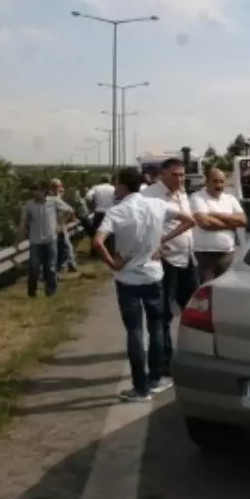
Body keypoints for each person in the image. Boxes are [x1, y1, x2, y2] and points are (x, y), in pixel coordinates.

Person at [93, 168, 195, 402]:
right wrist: (162, 240)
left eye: (117, 184)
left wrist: (112, 263)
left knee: (135, 331)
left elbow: (98, 242)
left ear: (122, 186)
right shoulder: (156, 205)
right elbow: (189, 220)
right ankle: (156, 379)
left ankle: (140, 388)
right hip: (153, 274)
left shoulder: (116, 212)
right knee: (157, 326)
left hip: (127, 278)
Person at [142, 157, 197, 379]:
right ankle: (164, 362)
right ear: (162, 175)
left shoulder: (182, 193)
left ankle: (192, 356)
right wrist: (157, 243)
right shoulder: (149, 196)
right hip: (166, 262)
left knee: (193, 310)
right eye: (175, 175)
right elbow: (142, 226)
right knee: (163, 313)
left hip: (187, 258)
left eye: (182, 175)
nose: (180, 179)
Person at [190, 167, 248, 282]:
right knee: (207, 292)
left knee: (226, 289)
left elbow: (243, 221)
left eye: (222, 181)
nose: (219, 185)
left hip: (227, 254)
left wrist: (217, 215)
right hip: (205, 256)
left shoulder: (230, 199)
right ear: (207, 182)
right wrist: (231, 224)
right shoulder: (197, 197)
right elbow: (205, 223)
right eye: (215, 181)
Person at [18, 182, 74, 298]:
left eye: (37, 192)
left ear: (44, 191)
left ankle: (51, 291)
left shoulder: (53, 201)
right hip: (35, 241)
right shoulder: (29, 205)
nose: (34, 195)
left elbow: (70, 210)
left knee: (51, 266)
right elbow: (23, 222)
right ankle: (32, 292)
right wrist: (19, 237)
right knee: (34, 267)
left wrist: (60, 224)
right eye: (32, 193)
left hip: (50, 239)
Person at [49, 179, 79, 274]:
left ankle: (69, 265)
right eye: (54, 186)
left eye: (57, 186)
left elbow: (69, 210)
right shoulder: (52, 198)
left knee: (66, 246)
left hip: (59, 227)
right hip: (52, 228)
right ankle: (66, 266)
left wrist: (63, 222)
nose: (57, 189)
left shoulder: (57, 198)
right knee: (63, 247)